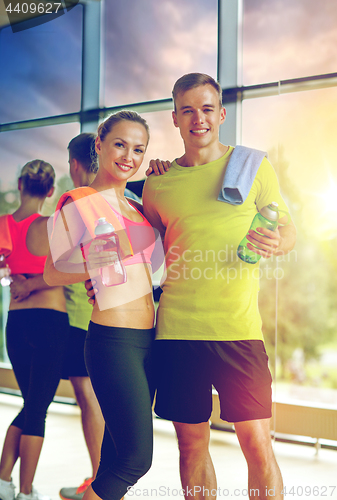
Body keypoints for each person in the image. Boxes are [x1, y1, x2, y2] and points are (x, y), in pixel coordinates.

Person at [142, 73, 297, 500]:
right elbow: (148, 251)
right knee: (192, 445)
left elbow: (287, 234)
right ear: (174, 118)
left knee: (258, 445)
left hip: (239, 330)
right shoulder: (158, 183)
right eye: (187, 110)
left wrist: (275, 242)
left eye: (207, 109)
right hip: (177, 331)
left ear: (221, 114)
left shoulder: (252, 166)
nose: (199, 119)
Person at [44, 111, 159, 500]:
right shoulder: (78, 201)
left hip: (149, 339)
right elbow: (54, 271)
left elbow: (150, 268)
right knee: (135, 460)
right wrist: (102, 259)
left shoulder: (134, 206)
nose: (130, 156)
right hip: (114, 341)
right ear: (100, 145)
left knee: (113, 463)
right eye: (120, 144)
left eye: (139, 149)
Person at [0, 160, 69, 500]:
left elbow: (2, 271)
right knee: (37, 407)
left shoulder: (2, 224)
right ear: (51, 191)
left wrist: (12, 276)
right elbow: (73, 271)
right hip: (51, 321)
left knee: (31, 402)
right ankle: (26, 491)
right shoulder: (54, 224)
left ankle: (3, 481)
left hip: (16, 324)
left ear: (20, 184)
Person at [59, 133, 105, 500]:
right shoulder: (118, 199)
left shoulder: (75, 203)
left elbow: (57, 264)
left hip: (80, 316)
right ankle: (104, 481)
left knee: (87, 398)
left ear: (74, 164)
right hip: (118, 318)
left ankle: (99, 481)